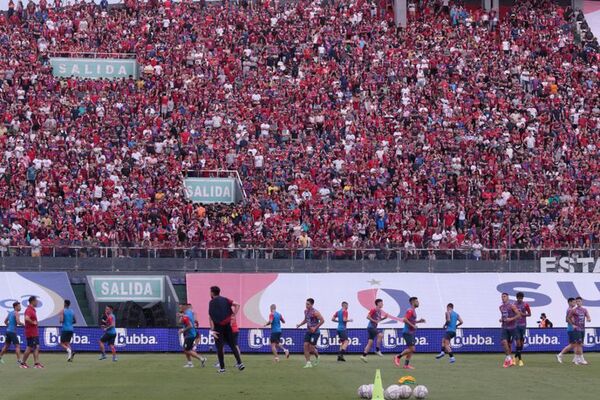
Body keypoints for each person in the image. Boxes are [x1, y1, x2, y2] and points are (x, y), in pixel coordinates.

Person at [208, 286, 244, 373]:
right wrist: (233, 315)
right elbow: (237, 304)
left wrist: (212, 330)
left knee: (219, 348)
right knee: (232, 345)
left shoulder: (211, 302)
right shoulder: (225, 299)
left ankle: (222, 368)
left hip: (218, 327)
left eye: (210, 292)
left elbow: (211, 316)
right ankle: (240, 363)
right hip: (228, 326)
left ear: (212, 293)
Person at [394, 297, 425, 370]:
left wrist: (419, 321)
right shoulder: (410, 310)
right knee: (412, 349)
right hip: (407, 332)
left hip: (411, 332)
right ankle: (398, 356)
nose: (418, 302)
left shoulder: (413, 311)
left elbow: (411, 321)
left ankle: (406, 365)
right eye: (417, 301)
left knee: (411, 349)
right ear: (413, 302)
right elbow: (404, 319)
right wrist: (413, 325)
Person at [296, 298, 324, 369]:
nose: (306, 305)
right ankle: (308, 363)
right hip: (308, 331)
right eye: (306, 304)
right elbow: (306, 320)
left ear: (312, 304)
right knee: (305, 345)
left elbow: (322, 320)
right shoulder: (305, 311)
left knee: (311, 348)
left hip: (315, 332)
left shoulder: (315, 312)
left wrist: (315, 328)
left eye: (308, 304)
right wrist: (299, 325)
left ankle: (318, 356)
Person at [179, 303, 206, 368]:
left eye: (181, 307)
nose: (180, 309)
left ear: (184, 307)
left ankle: (202, 359)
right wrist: (181, 315)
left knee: (187, 350)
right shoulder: (188, 312)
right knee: (186, 349)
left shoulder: (186, 315)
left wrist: (183, 330)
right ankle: (190, 363)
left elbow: (190, 325)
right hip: (190, 333)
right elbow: (182, 321)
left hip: (190, 334)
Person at [360, 298, 387, 363]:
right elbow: (368, 317)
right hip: (371, 327)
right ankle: (377, 350)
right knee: (380, 335)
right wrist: (374, 321)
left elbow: (378, 320)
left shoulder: (379, 311)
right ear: (378, 303)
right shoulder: (373, 309)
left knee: (370, 343)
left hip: (372, 328)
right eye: (381, 303)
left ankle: (364, 356)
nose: (382, 304)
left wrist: (384, 318)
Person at [499, 292, 521, 368]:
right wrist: (501, 319)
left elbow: (519, 315)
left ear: (508, 298)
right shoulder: (501, 307)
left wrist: (511, 319)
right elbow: (503, 316)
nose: (503, 298)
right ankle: (509, 358)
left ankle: (507, 360)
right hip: (504, 327)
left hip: (512, 328)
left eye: (504, 296)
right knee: (503, 342)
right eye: (502, 296)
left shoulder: (512, 306)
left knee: (512, 344)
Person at [568, 296, 591, 365]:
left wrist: (588, 319)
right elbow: (568, 318)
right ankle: (581, 359)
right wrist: (572, 325)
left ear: (582, 302)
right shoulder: (573, 310)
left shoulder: (584, 310)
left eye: (579, 301)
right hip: (577, 329)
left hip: (582, 329)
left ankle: (576, 358)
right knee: (579, 344)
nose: (578, 303)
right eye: (577, 301)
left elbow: (588, 316)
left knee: (580, 344)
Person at [20, 296, 43, 369]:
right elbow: (26, 318)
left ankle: (36, 363)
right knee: (30, 347)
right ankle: (23, 363)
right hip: (31, 332)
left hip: (34, 332)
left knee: (36, 347)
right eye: (36, 301)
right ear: (32, 301)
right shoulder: (29, 309)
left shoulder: (32, 310)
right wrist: (33, 322)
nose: (37, 302)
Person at [513, 292, 531, 367]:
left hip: (523, 325)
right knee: (518, 343)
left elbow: (529, 314)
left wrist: (523, 314)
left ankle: (514, 358)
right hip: (516, 325)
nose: (520, 299)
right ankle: (520, 360)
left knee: (521, 344)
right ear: (517, 298)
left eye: (521, 298)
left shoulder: (526, 304)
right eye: (519, 298)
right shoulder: (514, 305)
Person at [557, 298, 576, 364]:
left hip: (574, 328)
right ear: (569, 302)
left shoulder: (571, 310)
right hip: (571, 329)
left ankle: (575, 358)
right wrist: (573, 324)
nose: (575, 303)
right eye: (573, 302)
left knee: (576, 344)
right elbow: (567, 319)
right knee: (572, 344)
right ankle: (560, 355)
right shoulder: (569, 310)